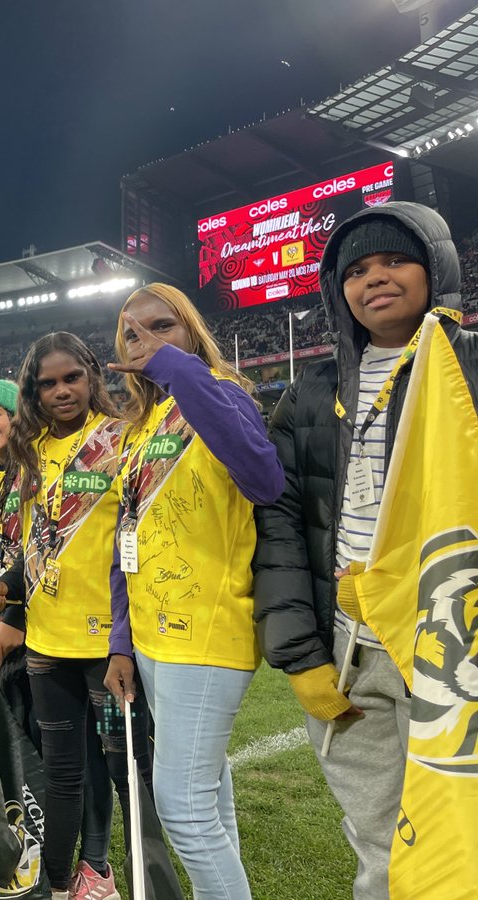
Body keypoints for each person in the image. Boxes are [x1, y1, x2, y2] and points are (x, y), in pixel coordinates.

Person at [253, 202, 478, 899]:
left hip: (453, 633)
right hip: (354, 642)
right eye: (355, 270)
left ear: (434, 268)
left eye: (393, 260)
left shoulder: (470, 369)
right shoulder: (310, 390)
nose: (374, 278)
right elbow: (281, 523)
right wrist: (299, 651)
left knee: (464, 834)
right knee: (378, 842)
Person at [103, 284, 283, 900]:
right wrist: (121, 643)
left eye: (163, 327)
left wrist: (180, 367)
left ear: (191, 331)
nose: (147, 341)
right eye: (132, 333)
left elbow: (263, 479)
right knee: (209, 800)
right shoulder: (138, 424)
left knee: (182, 808)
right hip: (152, 639)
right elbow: (125, 534)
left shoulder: (220, 392)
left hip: (206, 629)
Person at [0, 338, 135, 900]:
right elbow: (34, 544)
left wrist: (125, 640)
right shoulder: (30, 452)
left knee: (127, 778)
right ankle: (69, 881)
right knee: (64, 774)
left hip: (111, 642)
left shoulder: (123, 440)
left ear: (92, 377)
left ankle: (119, 872)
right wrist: (8, 587)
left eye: (72, 378)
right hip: (47, 641)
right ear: (33, 391)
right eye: (48, 383)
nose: (62, 391)